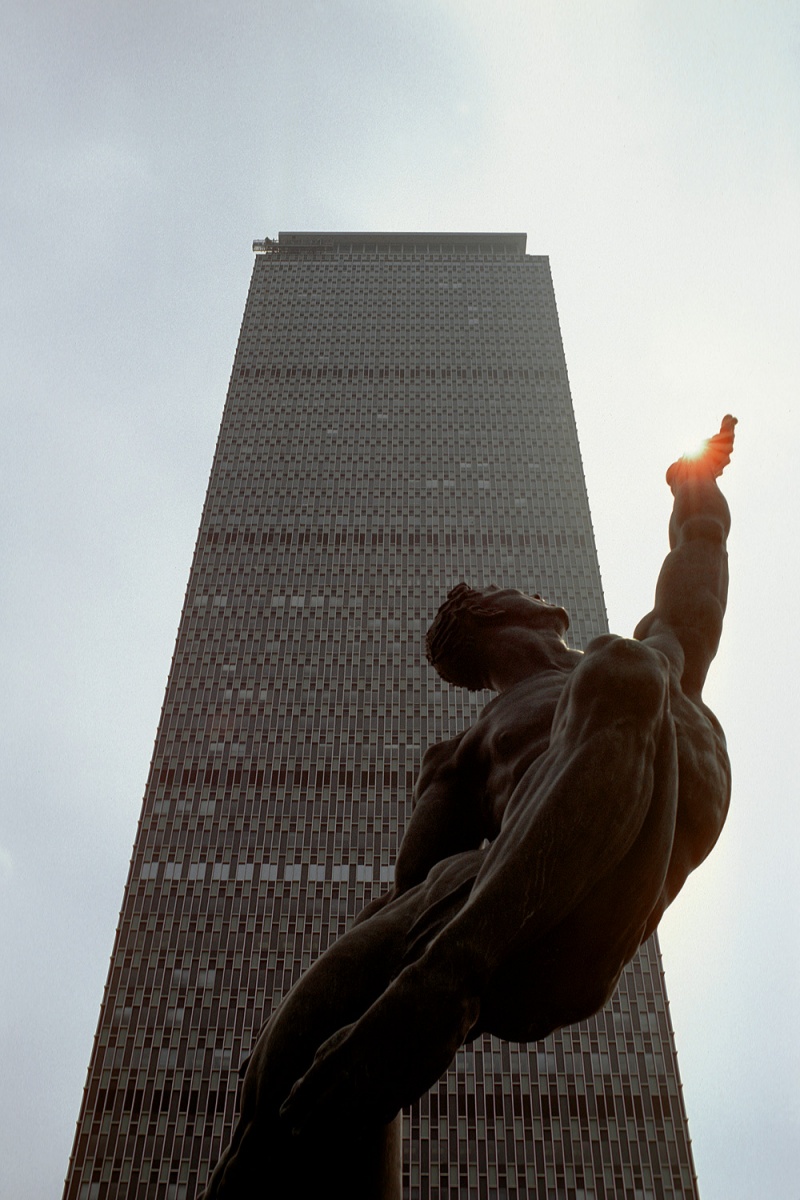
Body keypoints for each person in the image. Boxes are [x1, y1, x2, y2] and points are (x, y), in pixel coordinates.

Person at [200, 416, 736, 1199]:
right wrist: (355, 1001)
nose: (542, 592)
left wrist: (693, 481)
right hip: (505, 902)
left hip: (605, 885)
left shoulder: (649, 659)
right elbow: (415, 891)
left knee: (630, 663)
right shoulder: (464, 752)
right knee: (290, 1064)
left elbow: (698, 555)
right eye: (519, 590)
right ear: (490, 615)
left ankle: (446, 981)